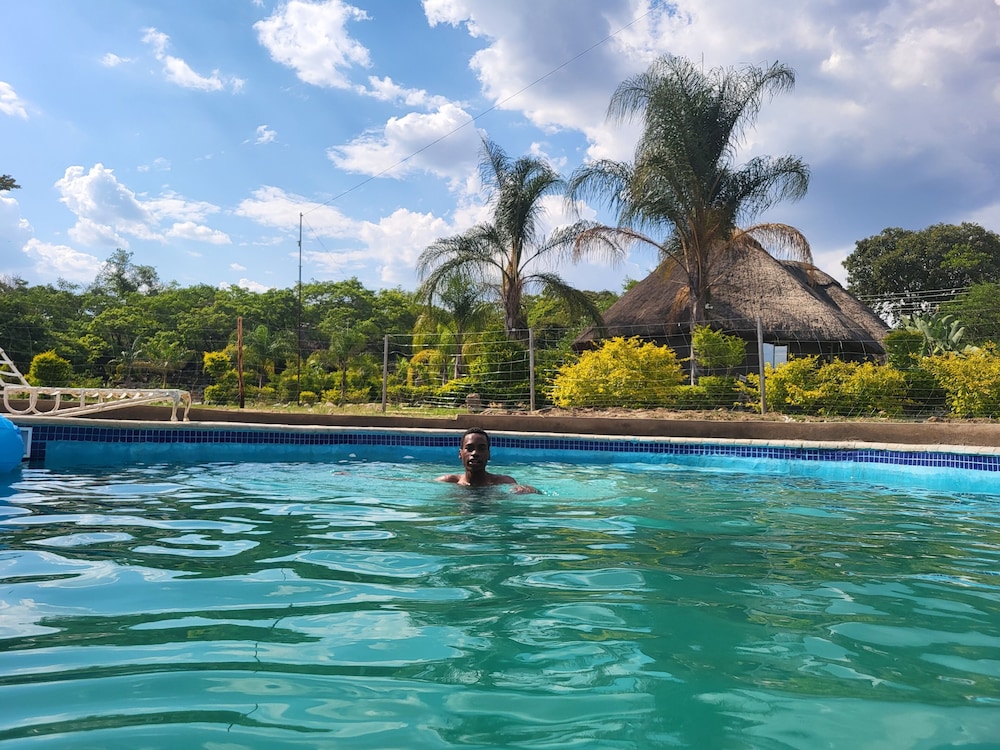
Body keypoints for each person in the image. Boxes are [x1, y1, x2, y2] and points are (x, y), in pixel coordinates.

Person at [436, 427, 539, 494]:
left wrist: (528, 489)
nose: (475, 453)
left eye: (481, 448)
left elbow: (535, 492)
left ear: (488, 454)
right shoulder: (448, 481)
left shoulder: (503, 482)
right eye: (469, 448)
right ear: (460, 454)